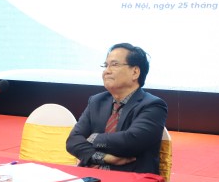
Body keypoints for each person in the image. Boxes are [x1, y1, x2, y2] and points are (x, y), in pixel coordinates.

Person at [66, 43, 167, 174]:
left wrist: (93, 138)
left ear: (135, 72)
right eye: (105, 65)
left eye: (114, 65)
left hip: (128, 178)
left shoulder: (153, 105)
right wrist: (104, 158)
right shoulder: (97, 101)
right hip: (88, 175)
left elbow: (131, 141)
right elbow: (73, 141)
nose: (107, 71)